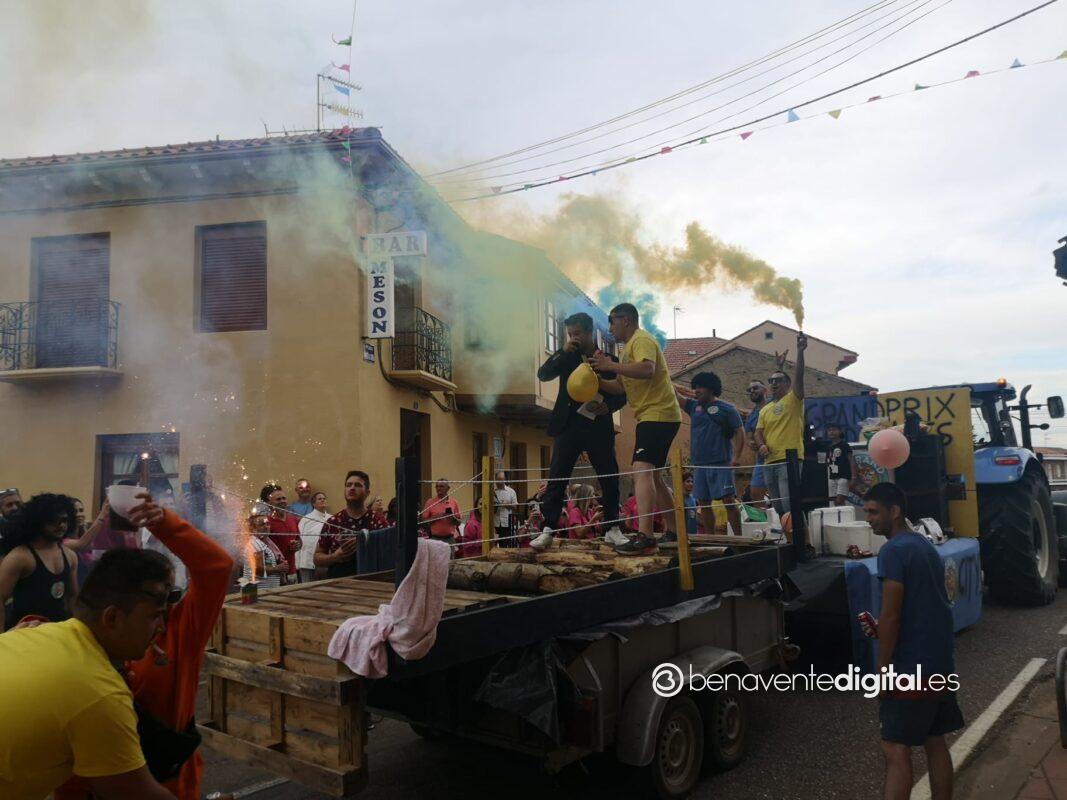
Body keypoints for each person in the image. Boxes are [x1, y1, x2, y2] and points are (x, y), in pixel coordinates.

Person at [56, 490, 235, 800]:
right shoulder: (73, 649)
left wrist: (163, 522)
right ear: (112, 616)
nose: (163, 620)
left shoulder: (178, 635)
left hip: (172, 785)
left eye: (170, 595)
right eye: (155, 607)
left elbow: (217, 567)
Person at [0, 544, 179, 799]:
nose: (161, 627)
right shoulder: (101, 693)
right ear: (112, 618)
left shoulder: (36, 634)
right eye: (154, 616)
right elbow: (136, 794)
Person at [860, 483, 963, 800]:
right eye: (866, 513)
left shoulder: (893, 551)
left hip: (910, 668)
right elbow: (920, 605)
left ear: (894, 511)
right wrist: (884, 628)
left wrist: (882, 669)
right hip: (939, 663)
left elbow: (892, 613)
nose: (869, 519)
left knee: (895, 748)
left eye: (874, 512)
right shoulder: (923, 545)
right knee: (935, 741)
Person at [590, 303, 681, 555]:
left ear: (626, 320)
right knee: (654, 477)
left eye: (612, 321)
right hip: (654, 416)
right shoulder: (627, 349)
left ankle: (646, 536)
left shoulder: (641, 340)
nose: (610, 328)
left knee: (640, 470)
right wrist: (596, 379)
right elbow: (620, 387)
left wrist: (610, 366)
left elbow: (647, 369)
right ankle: (674, 531)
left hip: (658, 414)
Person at [531, 311, 628, 551]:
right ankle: (548, 528)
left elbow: (623, 393)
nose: (573, 338)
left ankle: (612, 527)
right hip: (568, 425)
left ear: (589, 332)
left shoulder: (608, 360)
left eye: (577, 333)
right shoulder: (566, 356)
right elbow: (543, 374)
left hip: (598, 425)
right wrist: (562, 351)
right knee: (557, 477)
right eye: (570, 334)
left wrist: (609, 407)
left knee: (609, 476)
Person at [676, 371, 745, 537]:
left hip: (721, 463)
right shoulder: (693, 407)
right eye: (695, 387)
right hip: (699, 465)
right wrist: (662, 373)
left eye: (701, 387)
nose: (696, 390)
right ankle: (711, 538)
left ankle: (739, 538)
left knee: (729, 501)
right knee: (704, 503)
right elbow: (676, 396)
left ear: (712, 389)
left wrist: (736, 457)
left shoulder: (728, 409)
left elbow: (740, 431)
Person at [0, 493, 80, 631]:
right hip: (25, 631)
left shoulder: (70, 555)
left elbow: (72, 595)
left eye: (64, 520)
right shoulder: (20, 557)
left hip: (57, 630)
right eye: (53, 521)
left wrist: (77, 628)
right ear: (38, 522)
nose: (61, 525)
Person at [754, 332, 808, 516]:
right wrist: (761, 445)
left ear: (788, 384)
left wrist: (800, 351)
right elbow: (758, 432)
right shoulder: (765, 409)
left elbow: (799, 376)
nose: (774, 384)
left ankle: (801, 536)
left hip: (789, 460)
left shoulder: (794, 400)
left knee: (790, 506)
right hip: (769, 462)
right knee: (778, 509)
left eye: (778, 381)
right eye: (771, 381)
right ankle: (789, 535)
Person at [314, 471, 389, 578]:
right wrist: (335, 557)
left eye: (357, 485)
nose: (352, 488)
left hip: (371, 582)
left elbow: (390, 552)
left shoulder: (378, 520)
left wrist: (365, 542)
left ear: (367, 493)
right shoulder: (333, 521)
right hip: (339, 583)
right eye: (348, 485)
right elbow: (317, 558)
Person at [260, 483, 300, 583]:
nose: (282, 501)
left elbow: (299, 541)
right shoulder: (265, 523)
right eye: (278, 499)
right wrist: (275, 568)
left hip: (292, 572)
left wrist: (298, 545)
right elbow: (259, 549)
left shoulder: (293, 519)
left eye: (284, 498)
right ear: (268, 503)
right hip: (274, 576)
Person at [243, 503, 289, 590]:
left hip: (268, 590)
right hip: (257, 591)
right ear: (253, 529)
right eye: (262, 524)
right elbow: (258, 570)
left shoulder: (267, 542)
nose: (266, 526)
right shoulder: (254, 543)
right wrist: (278, 568)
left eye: (267, 524)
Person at [65, 498, 110, 584]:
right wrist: (102, 514)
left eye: (81, 510)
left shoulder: (83, 535)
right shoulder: (63, 542)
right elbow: (81, 544)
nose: (79, 514)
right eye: (74, 511)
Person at [744, 380, 770, 504]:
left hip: (779, 457)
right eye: (749, 390)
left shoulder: (774, 406)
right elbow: (748, 437)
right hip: (761, 460)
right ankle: (763, 516)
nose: (752, 391)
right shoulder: (751, 415)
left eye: (755, 388)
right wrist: (750, 443)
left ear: (765, 390)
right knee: (755, 494)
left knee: (780, 496)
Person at [297, 491, 329, 583]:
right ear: (313, 504)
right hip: (307, 562)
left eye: (324, 498)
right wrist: (297, 563)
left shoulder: (331, 519)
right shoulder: (306, 519)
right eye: (320, 499)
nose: (322, 500)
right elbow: (298, 539)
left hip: (325, 561)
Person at [825, 422, 858, 506]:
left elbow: (852, 460)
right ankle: (841, 515)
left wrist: (853, 477)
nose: (831, 432)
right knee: (835, 502)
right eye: (829, 430)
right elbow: (827, 462)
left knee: (840, 500)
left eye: (834, 430)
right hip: (832, 477)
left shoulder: (844, 445)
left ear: (840, 431)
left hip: (843, 477)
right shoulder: (828, 447)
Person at [421, 479, 462, 543]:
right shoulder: (430, 502)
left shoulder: (454, 502)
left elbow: (459, 523)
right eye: (437, 486)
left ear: (448, 488)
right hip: (435, 539)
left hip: (450, 539)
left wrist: (453, 519)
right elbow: (423, 523)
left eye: (441, 486)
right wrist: (436, 517)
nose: (438, 488)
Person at [492, 471, 519, 547]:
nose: (500, 481)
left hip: (506, 523)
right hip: (495, 523)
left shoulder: (511, 491)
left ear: (505, 480)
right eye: (498, 479)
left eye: (502, 479)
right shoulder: (492, 492)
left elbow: (516, 506)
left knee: (504, 545)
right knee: (493, 545)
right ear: (495, 480)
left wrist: (508, 505)